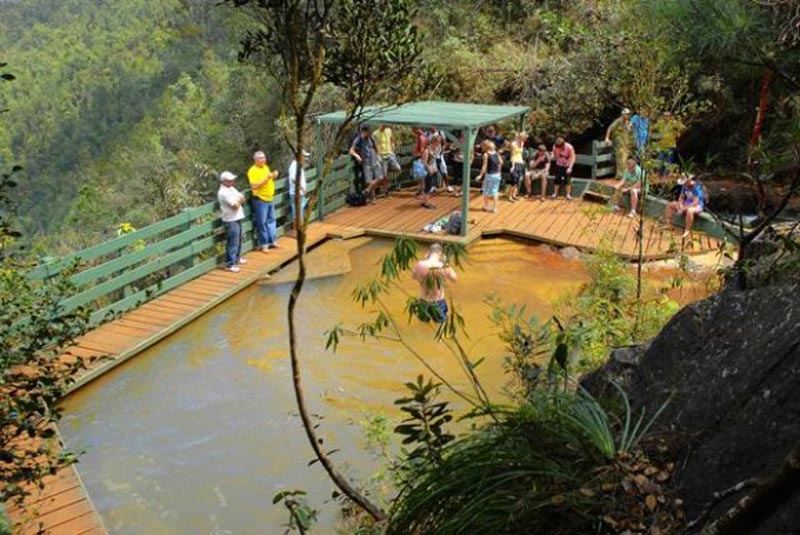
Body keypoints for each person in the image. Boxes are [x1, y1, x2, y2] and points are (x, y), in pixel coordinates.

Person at [412, 243, 458, 324]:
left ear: (429, 252)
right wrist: (446, 263)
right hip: (438, 302)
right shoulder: (443, 266)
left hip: (423, 301)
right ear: (440, 254)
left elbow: (414, 277)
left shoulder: (420, 264)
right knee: (440, 328)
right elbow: (455, 279)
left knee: (423, 327)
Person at [248, 150, 280, 252]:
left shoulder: (266, 168)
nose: (264, 160)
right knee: (261, 222)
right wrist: (266, 178)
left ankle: (273, 240)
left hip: (270, 198)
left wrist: (274, 176)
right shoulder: (252, 171)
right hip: (260, 200)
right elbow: (254, 185)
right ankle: (264, 244)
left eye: (264, 157)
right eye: (261, 158)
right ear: (256, 160)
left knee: (271, 220)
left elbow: (269, 179)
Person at [217, 171, 247, 273]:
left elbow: (243, 199)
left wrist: (238, 200)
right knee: (232, 242)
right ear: (224, 181)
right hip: (230, 220)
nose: (232, 182)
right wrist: (239, 200)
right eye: (230, 180)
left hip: (238, 217)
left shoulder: (232, 189)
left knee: (238, 240)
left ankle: (237, 258)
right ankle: (230, 264)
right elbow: (235, 206)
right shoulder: (223, 192)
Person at [349, 124, 387, 202]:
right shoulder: (358, 139)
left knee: (380, 177)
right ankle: (372, 197)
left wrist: (378, 156)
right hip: (366, 162)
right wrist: (357, 156)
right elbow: (351, 150)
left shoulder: (371, 138)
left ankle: (367, 190)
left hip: (374, 160)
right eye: (366, 132)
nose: (368, 133)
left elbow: (375, 147)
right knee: (368, 181)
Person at [653, 111, 685, 176]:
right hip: (661, 145)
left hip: (671, 145)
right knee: (660, 160)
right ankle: (660, 175)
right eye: (665, 115)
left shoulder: (674, 123)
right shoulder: (660, 123)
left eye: (667, 116)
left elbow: (683, 128)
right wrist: (656, 136)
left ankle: (667, 175)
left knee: (668, 161)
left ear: (670, 117)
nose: (666, 117)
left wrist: (677, 133)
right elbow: (652, 128)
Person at [605, 108, 633, 177]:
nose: (628, 116)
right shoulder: (618, 121)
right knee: (620, 159)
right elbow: (610, 128)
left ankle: (623, 175)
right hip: (619, 144)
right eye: (626, 114)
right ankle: (620, 175)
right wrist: (607, 138)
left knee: (625, 160)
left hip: (625, 144)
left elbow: (629, 133)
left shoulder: (627, 123)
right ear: (623, 114)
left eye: (628, 114)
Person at [374, 124, 401, 195]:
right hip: (382, 155)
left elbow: (392, 139)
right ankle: (386, 191)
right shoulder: (375, 133)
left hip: (390, 154)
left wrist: (393, 146)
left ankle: (388, 170)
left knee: (398, 168)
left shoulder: (389, 130)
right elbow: (374, 145)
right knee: (384, 175)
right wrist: (377, 155)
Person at [476, 139, 503, 212]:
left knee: (485, 190)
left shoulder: (486, 154)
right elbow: (501, 162)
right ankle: (495, 208)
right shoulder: (497, 153)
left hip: (490, 175)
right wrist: (499, 171)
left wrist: (480, 175)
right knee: (495, 191)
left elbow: (484, 166)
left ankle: (486, 206)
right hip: (497, 175)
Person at [287, 151, 309, 227]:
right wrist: (302, 187)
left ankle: (300, 229)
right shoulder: (294, 165)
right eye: (304, 156)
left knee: (300, 211)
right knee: (297, 213)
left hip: (300, 193)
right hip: (296, 193)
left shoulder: (298, 165)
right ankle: (297, 230)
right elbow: (293, 179)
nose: (305, 158)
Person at [507, 131, 527, 202]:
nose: (525, 139)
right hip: (514, 162)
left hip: (520, 163)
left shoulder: (522, 143)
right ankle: (509, 196)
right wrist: (512, 166)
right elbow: (512, 155)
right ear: (521, 137)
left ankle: (513, 195)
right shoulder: (513, 144)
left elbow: (520, 154)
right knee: (513, 180)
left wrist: (522, 164)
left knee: (518, 179)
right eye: (525, 138)